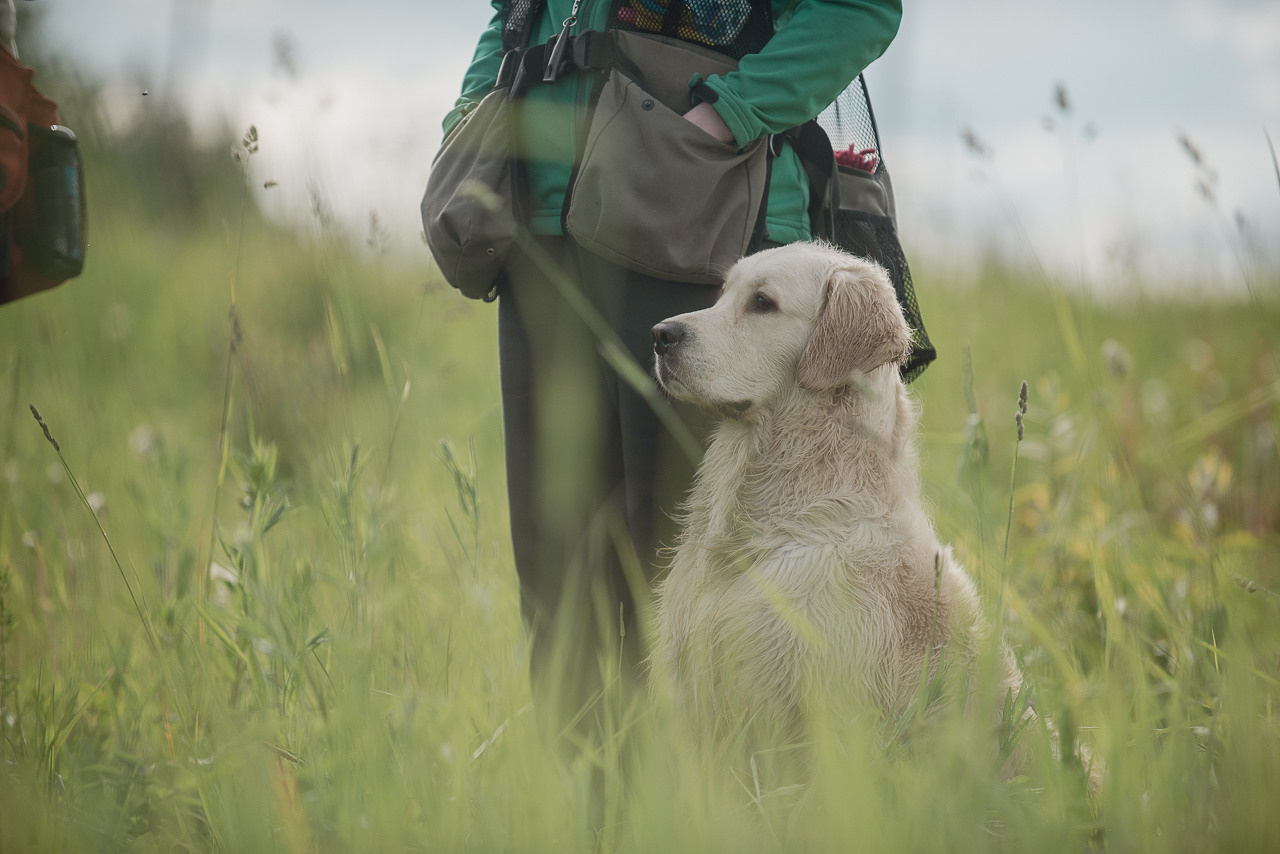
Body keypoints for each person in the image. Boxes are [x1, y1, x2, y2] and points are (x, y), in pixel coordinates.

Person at [439, 0, 903, 724]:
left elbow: (857, 8)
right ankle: (591, 825)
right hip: (540, 233)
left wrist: (730, 115)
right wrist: (471, 118)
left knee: (706, 580)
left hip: (700, 225)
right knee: (560, 579)